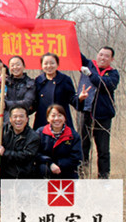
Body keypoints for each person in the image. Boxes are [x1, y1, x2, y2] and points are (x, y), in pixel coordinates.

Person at [78, 47, 120, 178]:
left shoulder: (113, 74)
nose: (102, 58)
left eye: (106, 56)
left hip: (103, 116)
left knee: (103, 149)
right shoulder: (89, 64)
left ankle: (103, 177)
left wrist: (90, 75)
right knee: (82, 146)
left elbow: (104, 84)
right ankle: (81, 174)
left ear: (111, 59)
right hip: (85, 112)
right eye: (101, 54)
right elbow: (74, 53)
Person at [0, 101, 40, 179]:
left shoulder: (33, 137)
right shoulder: (2, 129)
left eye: (21, 116)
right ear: (10, 119)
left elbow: (26, 156)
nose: (18, 119)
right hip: (2, 170)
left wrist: (5, 153)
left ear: (27, 119)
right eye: (15, 116)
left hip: (20, 173)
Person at [33, 52, 89, 130]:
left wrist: (80, 98)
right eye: (46, 63)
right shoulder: (38, 81)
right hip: (43, 121)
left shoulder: (65, 80)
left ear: (57, 64)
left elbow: (72, 99)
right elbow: (34, 102)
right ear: (42, 66)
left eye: (52, 63)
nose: (49, 66)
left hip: (61, 121)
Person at [36, 104, 83, 179]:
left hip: (66, 170)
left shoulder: (73, 135)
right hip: (46, 168)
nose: (57, 119)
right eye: (53, 116)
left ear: (65, 118)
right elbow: (36, 153)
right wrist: (50, 164)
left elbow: (76, 157)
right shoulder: (40, 133)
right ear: (48, 118)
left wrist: (59, 164)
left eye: (60, 115)